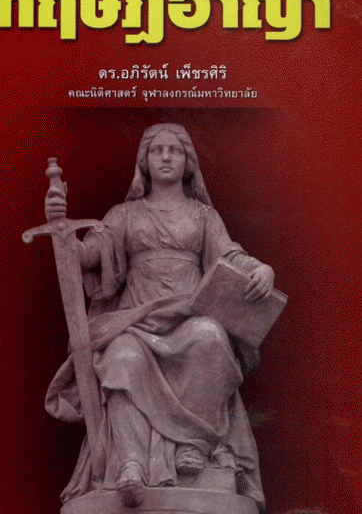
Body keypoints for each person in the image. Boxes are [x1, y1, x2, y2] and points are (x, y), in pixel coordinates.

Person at [45, 124, 274, 510]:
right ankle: (131, 464)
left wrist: (261, 269)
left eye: (174, 150)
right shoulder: (123, 215)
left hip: (189, 315)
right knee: (121, 355)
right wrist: (61, 226)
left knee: (210, 336)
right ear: (144, 162)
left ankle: (193, 446)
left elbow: (229, 256)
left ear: (188, 162)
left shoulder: (204, 216)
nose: (166, 157)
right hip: (136, 321)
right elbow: (86, 256)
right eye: (157, 150)